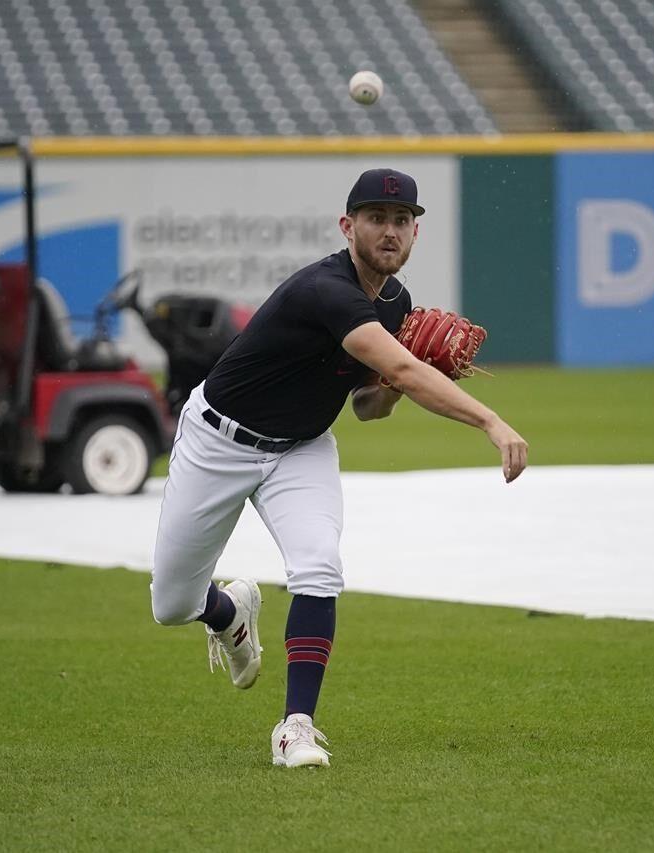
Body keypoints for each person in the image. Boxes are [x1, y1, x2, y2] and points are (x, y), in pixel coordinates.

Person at [149, 168, 529, 768]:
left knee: (319, 566)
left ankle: (295, 728)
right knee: (171, 605)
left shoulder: (396, 303)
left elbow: (370, 405)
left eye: (401, 221)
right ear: (348, 226)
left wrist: (393, 382)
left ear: (414, 233)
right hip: (217, 442)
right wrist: (488, 420)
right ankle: (229, 612)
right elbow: (403, 371)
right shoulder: (325, 289)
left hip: (299, 447)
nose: (389, 230)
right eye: (376, 218)